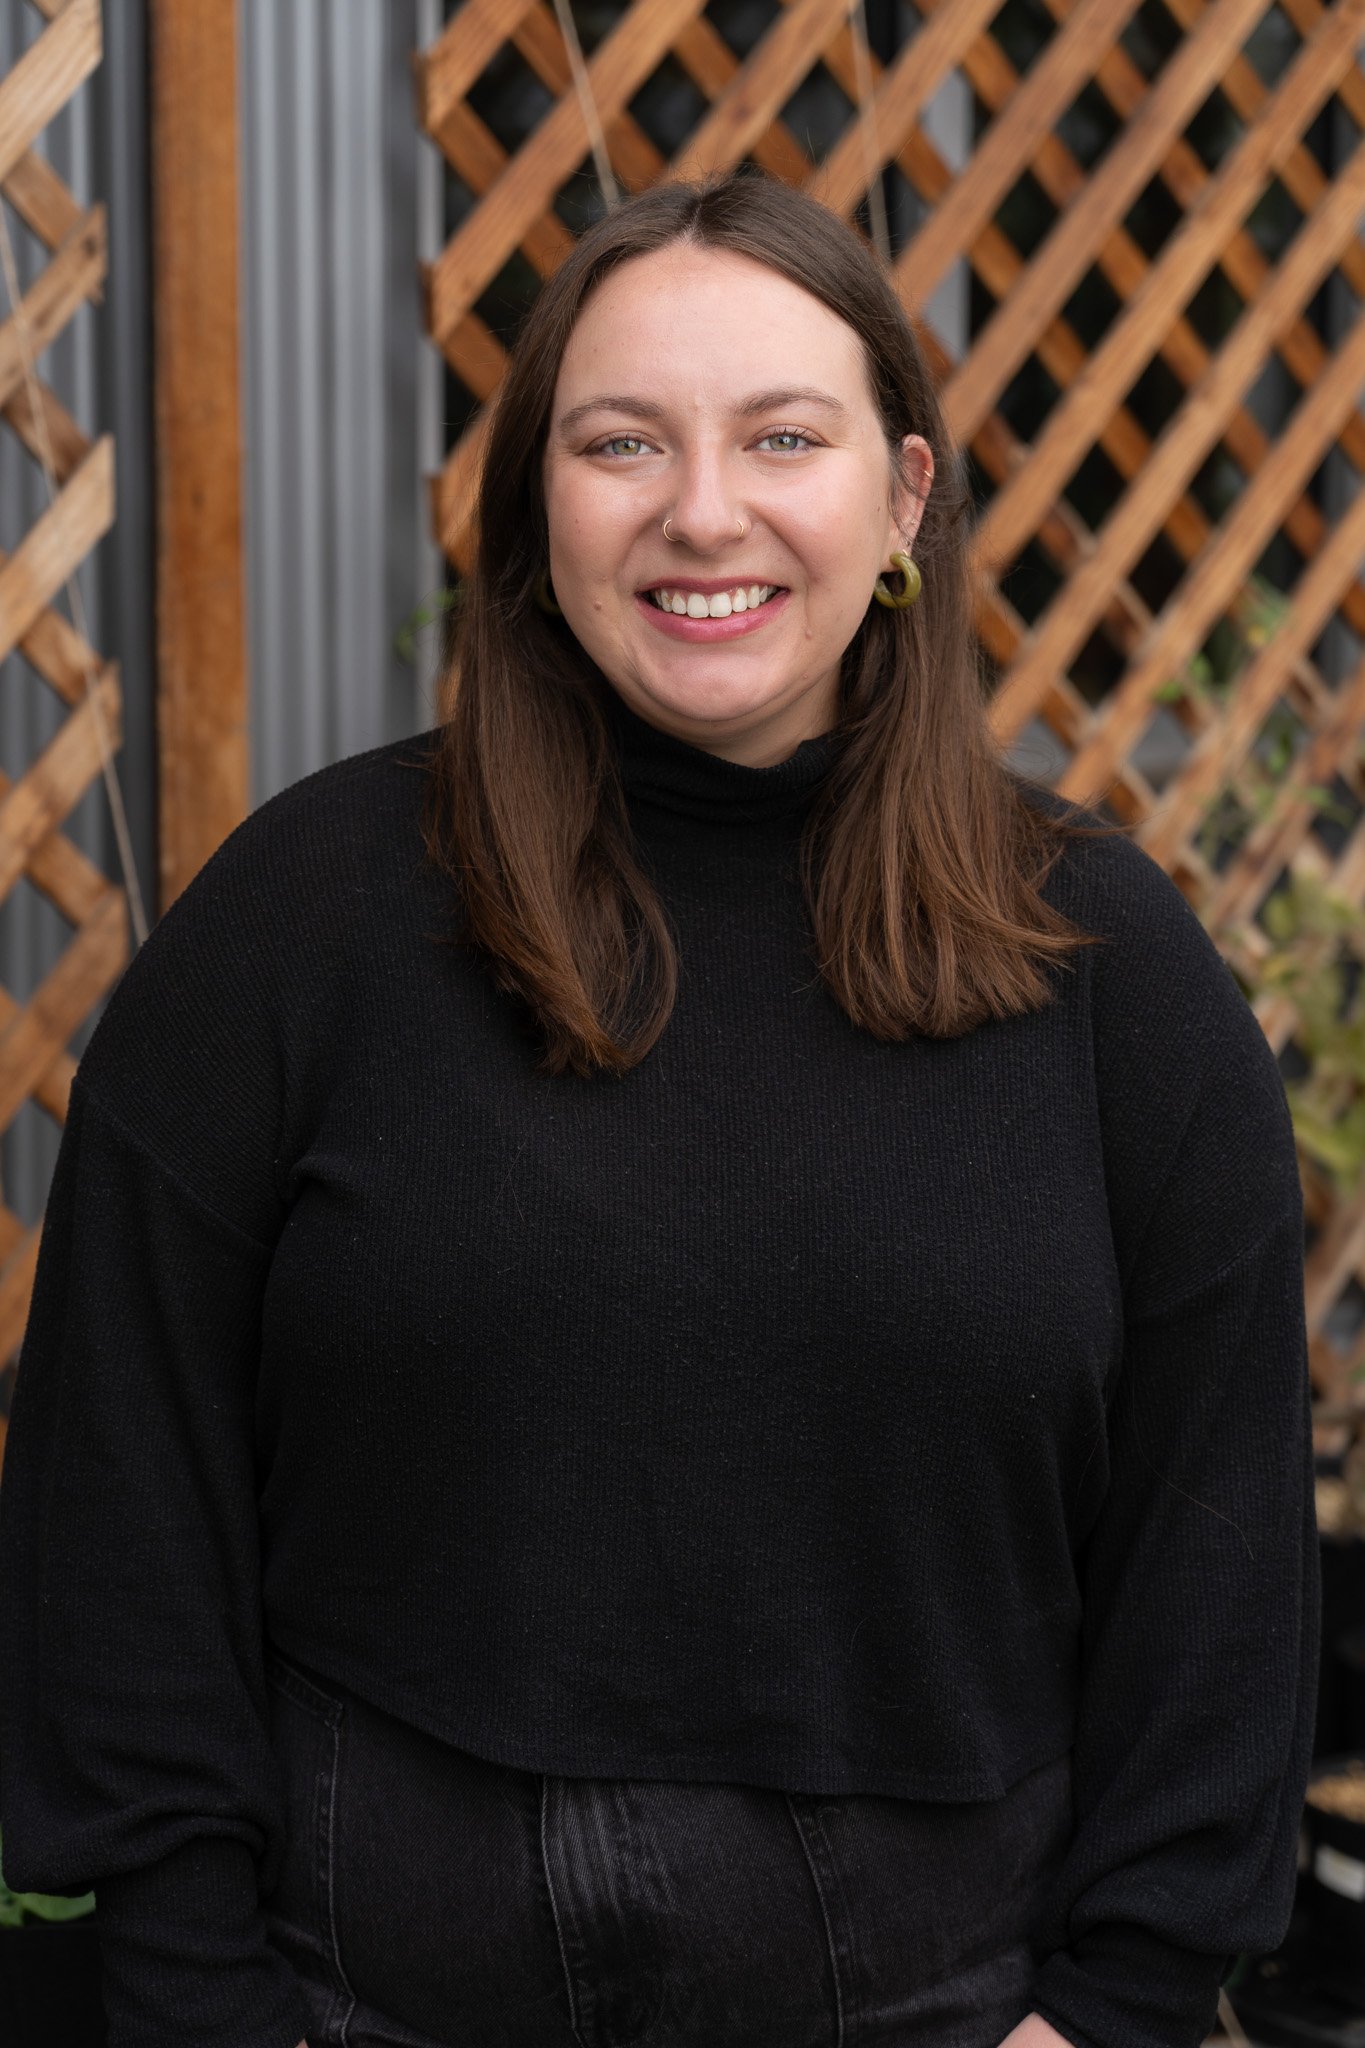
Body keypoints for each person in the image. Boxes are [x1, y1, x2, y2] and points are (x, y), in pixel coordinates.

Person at [0, 166, 1318, 2048]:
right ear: (542, 504)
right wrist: (195, 1991)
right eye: (622, 442)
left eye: (784, 436)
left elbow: (1223, 1543)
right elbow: (123, 1482)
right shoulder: (306, 926)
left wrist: (1115, 2009)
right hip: (349, 1994)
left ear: (904, 499)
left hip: (952, 2007)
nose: (705, 511)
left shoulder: (1102, 971)